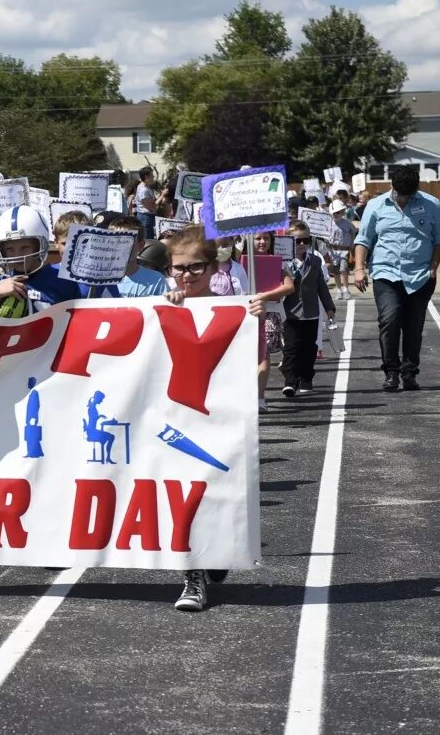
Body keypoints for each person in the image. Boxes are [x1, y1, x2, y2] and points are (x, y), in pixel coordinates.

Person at [165, 226, 264, 612]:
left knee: (218, 492)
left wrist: (254, 316)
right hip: (176, 421)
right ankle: (192, 576)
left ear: (212, 267)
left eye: (196, 269)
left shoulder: (235, 307)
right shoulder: (164, 303)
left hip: (220, 418)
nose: (187, 277)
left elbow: (252, 362)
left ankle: (217, 555)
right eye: (179, 269)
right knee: (185, 497)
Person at [354, 165, 440, 392]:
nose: (403, 199)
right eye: (400, 194)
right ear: (392, 186)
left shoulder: (431, 204)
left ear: (416, 189)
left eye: (408, 195)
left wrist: (434, 267)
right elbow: (363, 239)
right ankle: (391, 372)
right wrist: (359, 268)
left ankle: (409, 372)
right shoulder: (376, 206)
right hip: (386, 274)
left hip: (420, 276)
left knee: (413, 327)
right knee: (389, 320)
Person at [0, 206, 98, 318]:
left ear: (39, 246)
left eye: (25, 247)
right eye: (9, 249)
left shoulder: (64, 282)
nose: (17, 255)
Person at [280, 221, 335, 397]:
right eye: (297, 241)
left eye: (306, 240)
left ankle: (306, 378)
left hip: (311, 313)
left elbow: (321, 286)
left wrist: (329, 308)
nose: (302, 244)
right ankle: (290, 381)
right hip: (290, 312)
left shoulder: (316, 260)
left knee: (309, 348)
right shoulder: (282, 262)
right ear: (289, 241)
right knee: (291, 348)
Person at [250, 233, 295, 412]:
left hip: (269, 312)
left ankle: (260, 397)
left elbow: (289, 286)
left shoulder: (277, 262)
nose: (262, 242)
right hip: (245, 311)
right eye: (258, 239)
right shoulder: (240, 261)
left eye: (266, 239)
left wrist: (264, 296)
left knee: (263, 353)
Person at [107, 216, 170, 297]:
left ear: (141, 245)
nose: (121, 247)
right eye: (115, 242)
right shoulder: (99, 279)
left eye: (127, 242)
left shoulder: (156, 280)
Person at [328, 198, 355, 301]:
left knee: (343, 270)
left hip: (344, 250)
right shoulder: (328, 223)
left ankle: (346, 289)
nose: (336, 214)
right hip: (332, 251)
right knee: (335, 272)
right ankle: (339, 289)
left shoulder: (347, 223)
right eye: (334, 213)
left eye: (338, 212)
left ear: (343, 212)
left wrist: (351, 243)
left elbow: (353, 231)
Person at [132, 167, 158, 239]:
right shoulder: (144, 190)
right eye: (152, 175)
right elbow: (150, 207)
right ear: (147, 177)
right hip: (145, 217)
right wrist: (161, 197)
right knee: (147, 240)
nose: (153, 177)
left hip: (145, 216)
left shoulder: (144, 187)